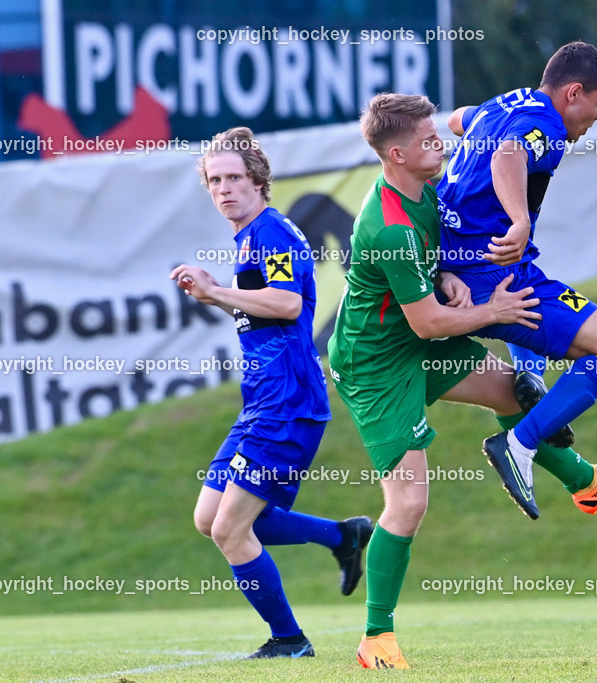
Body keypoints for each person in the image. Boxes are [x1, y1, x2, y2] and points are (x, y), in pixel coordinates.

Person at [327, 93, 597, 670]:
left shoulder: (423, 193)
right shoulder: (389, 227)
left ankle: (585, 482)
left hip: (415, 342)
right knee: (409, 502)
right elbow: (427, 319)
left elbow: (435, 265)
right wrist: (493, 310)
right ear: (397, 154)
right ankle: (376, 637)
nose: (442, 144)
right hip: (375, 366)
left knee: (516, 393)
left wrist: (449, 271)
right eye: (429, 141)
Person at [172, 126, 372, 660]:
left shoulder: (272, 234)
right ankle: (342, 536)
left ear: (259, 181)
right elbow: (265, 313)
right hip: (262, 402)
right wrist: (217, 298)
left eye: (234, 177)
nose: (224, 189)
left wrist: (216, 289)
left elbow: (286, 305)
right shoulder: (250, 237)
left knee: (231, 530)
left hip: (288, 403)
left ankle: (290, 640)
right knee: (208, 519)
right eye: (214, 181)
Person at [435, 42, 597, 520]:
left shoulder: (508, 104)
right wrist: (518, 220)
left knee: (542, 289)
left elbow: (457, 119)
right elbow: (509, 154)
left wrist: (480, 128)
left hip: (472, 264)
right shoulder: (547, 127)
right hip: (488, 273)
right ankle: (520, 443)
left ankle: (531, 377)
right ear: (573, 93)